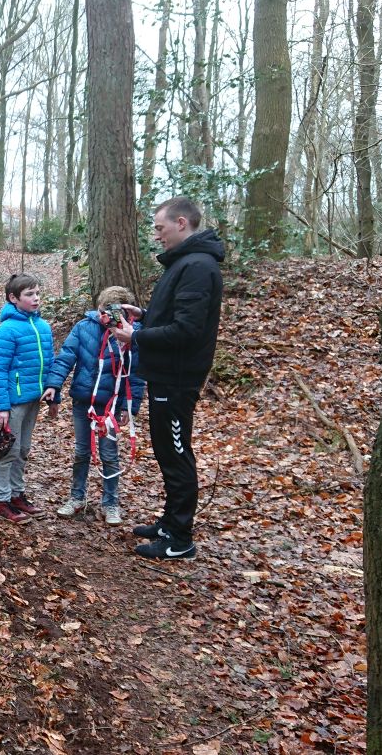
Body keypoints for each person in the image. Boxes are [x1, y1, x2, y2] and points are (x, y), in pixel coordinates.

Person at [111, 196, 223, 560]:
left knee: (175, 453)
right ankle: (169, 522)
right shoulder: (184, 263)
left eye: (159, 228)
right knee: (165, 450)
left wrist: (136, 336)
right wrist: (142, 314)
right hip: (165, 374)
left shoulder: (198, 266)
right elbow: (176, 313)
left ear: (181, 223)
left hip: (177, 378)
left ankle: (180, 536)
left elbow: (188, 330)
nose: (156, 236)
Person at [41, 286, 145, 525]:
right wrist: (54, 384)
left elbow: (137, 374)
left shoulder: (132, 335)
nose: (105, 317)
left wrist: (132, 408)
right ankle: (77, 497)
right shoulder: (84, 328)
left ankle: (111, 503)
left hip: (110, 405)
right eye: (102, 311)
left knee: (109, 454)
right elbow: (66, 356)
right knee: (81, 452)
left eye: (111, 312)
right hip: (83, 401)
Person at [0, 273, 55, 523]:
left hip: (34, 399)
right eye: (29, 294)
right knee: (8, 450)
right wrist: (2, 407)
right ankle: (1, 500)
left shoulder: (43, 327)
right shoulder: (6, 330)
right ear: (13, 298)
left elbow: (49, 362)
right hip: (13, 402)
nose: (36, 298)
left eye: (37, 293)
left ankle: (17, 495)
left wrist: (53, 391)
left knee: (23, 449)